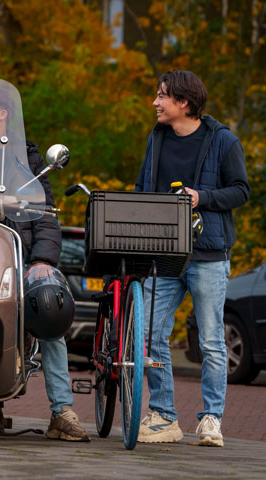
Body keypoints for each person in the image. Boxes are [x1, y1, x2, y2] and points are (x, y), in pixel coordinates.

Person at [0, 87, 90, 442]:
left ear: (3, 113)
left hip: (22, 258)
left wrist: (42, 260)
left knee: (49, 307)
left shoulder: (27, 159)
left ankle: (62, 411)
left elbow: (45, 215)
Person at [135, 70, 249, 447]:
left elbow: (240, 191)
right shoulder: (157, 139)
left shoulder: (223, 141)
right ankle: (165, 417)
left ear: (183, 103)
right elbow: (142, 189)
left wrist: (202, 197)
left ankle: (211, 420)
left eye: (161, 96)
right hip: (163, 255)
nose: (155, 102)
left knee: (212, 342)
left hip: (208, 255)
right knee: (151, 334)